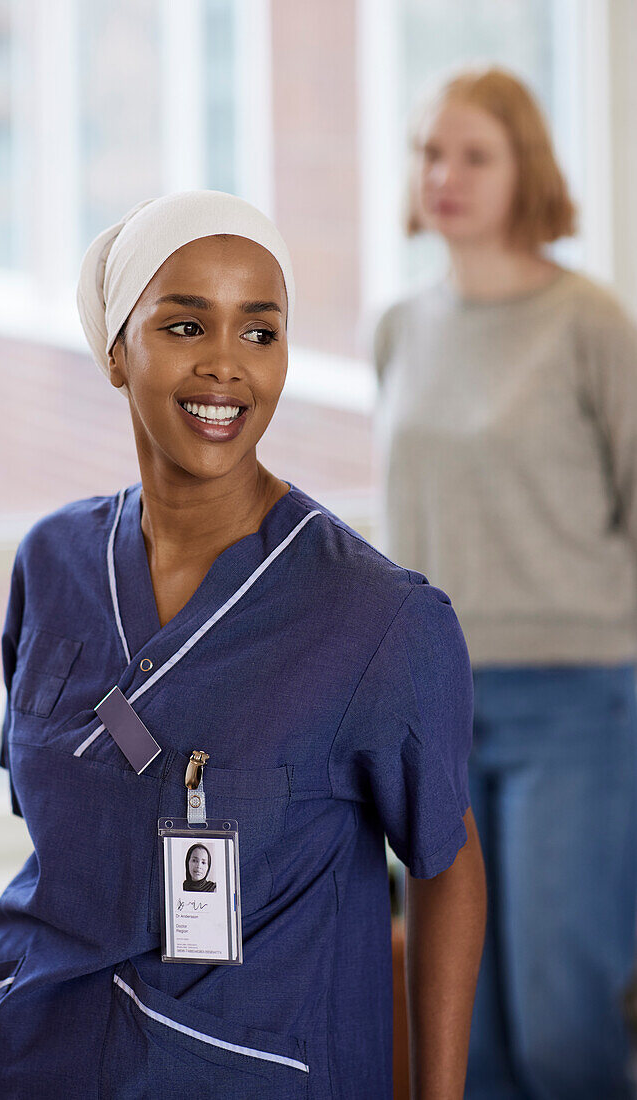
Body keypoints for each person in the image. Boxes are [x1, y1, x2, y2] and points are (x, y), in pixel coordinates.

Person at [0, 189, 485, 1100]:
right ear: (119, 351)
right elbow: (62, 835)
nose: (225, 367)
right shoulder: (51, 562)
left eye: (259, 333)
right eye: (187, 325)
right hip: (26, 1061)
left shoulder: (377, 618)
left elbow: (447, 865)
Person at [373, 66, 637, 1099]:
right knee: (458, 1037)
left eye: (472, 154)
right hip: (434, 709)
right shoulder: (397, 326)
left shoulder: (587, 324)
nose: (443, 174)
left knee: (561, 1028)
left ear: (523, 167)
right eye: (429, 152)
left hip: (571, 699)